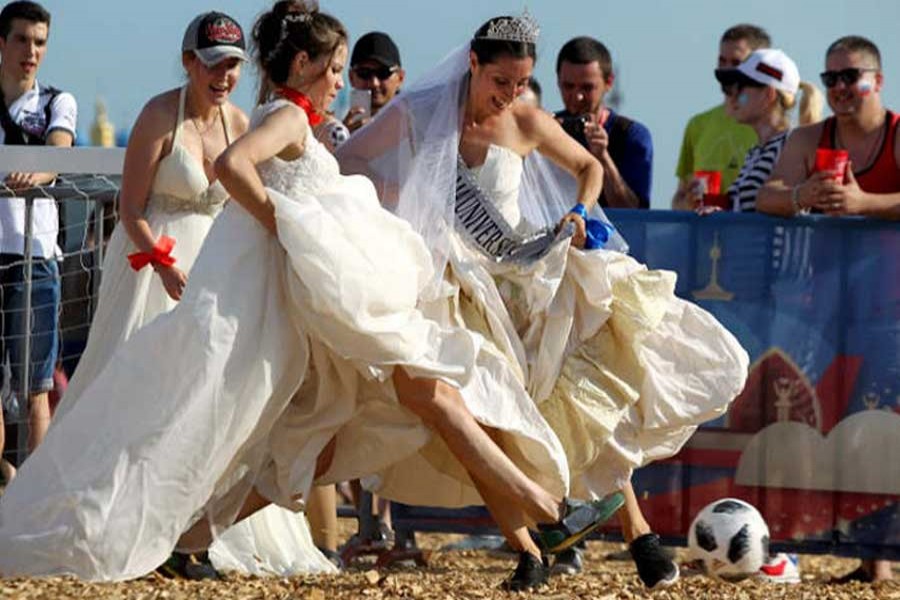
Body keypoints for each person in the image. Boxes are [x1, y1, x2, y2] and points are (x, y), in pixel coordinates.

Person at [0, 2, 620, 581]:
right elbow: (231, 167)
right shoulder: (288, 115)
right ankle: (551, 512)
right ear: (303, 66)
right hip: (339, 307)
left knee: (313, 448)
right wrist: (291, 227)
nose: (339, 84)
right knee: (433, 392)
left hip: (335, 305)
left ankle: (189, 539)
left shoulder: (291, 118)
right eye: (335, 71)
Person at [337, 11, 749, 591]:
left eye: (519, 83)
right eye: (499, 81)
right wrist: (398, 190)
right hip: (462, 290)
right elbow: (348, 159)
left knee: (578, 408)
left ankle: (640, 536)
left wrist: (579, 211)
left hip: (532, 282)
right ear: (473, 64)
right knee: (493, 419)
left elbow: (586, 169)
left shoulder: (525, 118)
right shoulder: (417, 114)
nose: (508, 95)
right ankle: (529, 551)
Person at [0, 1, 75, 476]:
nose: (32, 51)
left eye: (40, 42)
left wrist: (39, 172)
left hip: (36, 252)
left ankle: (34, 496)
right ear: (2, 43)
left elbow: (61, 151)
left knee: (37, 386)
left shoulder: (55, 101)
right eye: (23, 40)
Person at [757, 36, 900, 222]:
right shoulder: (807, 138)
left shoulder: (895, 133)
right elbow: (765, 197)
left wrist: (865, 203)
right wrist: (801, 196)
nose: (839, 87)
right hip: (828, 251)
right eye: (830, 79)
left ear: (878, 81)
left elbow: (861, 203)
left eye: (850, 77)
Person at [693, 49, 821, 212]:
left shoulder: (789, 144)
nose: (732, 96)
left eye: (740, 88)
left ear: (768, 94)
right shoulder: (756, 151)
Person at [671, 24, 770, 210]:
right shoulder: (697, 125)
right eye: (722, 61)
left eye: (736, 63)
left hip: (753, 236)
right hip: (706, 236)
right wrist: (688, 202)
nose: (725, 70)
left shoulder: (774, 130)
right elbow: (678, 201)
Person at [554, 36, 652, 208]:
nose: (578, 96)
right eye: (568, 86)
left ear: (608, 83)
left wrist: (603, 157)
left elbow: (635, 215)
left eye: (587, 87)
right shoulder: (547, 129)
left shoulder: (630, 136)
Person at [343, 31, 405, 133]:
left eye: (383, 73)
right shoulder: (335, 133)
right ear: (351, 77)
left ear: (400, 77)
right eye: (364, 73)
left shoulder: (415, 128)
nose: (374, 83)